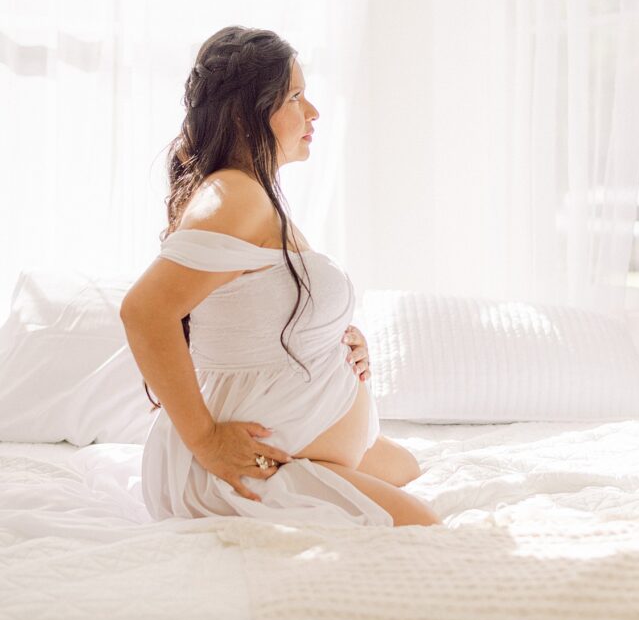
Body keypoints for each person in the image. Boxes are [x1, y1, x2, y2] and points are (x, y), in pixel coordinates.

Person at [120, 26, 441, 527]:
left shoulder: (250, 198)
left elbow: (256, 310)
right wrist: (207, 442)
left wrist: (335, 341)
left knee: (410, 469)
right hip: (252, 462)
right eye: (295, 96)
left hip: (295, 440)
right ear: (248, 114)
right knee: (426, 528)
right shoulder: (234, 196)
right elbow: (144, 312)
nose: (312, 112)